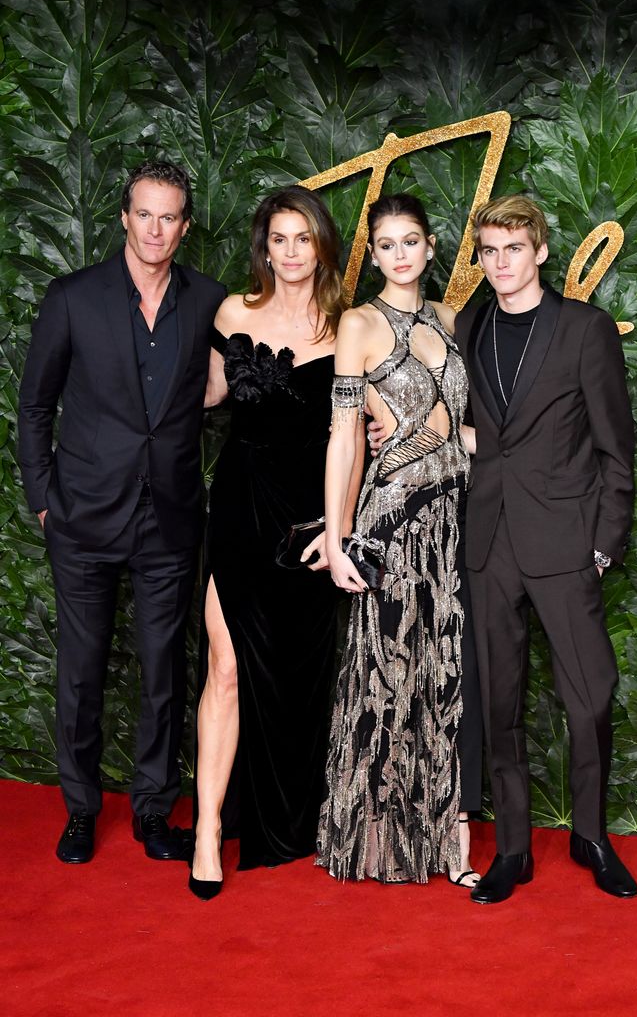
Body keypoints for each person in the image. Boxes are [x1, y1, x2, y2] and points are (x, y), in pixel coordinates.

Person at [18, 161, 226, 865]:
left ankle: (150, 810)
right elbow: (34, 408)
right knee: (80, 671)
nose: (156, 229)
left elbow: (258, 369)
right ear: (124, 217)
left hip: (167, 518)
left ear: (185, 226)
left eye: (169, 216)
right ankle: (80, 810)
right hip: (81, 517)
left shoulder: (208, 302)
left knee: (164, 669)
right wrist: (44, 502)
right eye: (144, 214)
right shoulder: (73, 298)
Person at [454, 195, 637, 903]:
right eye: (489, 251)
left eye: (512, 249)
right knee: (499, 700)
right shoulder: (470, 325)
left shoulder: (583, 330)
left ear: (538, 253)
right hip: (490, 538)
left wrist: (603, 545)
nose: (500, 263)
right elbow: (477, 430)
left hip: (566, 539)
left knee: (588, 695)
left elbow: (613, 447)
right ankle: (513, 852)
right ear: (481, 257)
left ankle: (590, 836)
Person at [189, 186, 363, 900]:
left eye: (303, 238)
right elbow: (201, 397)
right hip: (239, 508)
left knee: (299, 675)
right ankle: (206, 832)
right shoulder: (232, 311)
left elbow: (356, 429)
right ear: (264, 247)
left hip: (310, 520)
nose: (291, 252)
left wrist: (340, 522)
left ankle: (296, 817)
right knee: (226, 669)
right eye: (278, 239)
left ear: (321, 244)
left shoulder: (347, 324)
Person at [316, 193, 482, 885]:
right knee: (387, 676)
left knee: (444, 676)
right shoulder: (357, 323)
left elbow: (474, 421)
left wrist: (468, 439)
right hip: (392, 519)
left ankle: (447, 846)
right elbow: (344, 435)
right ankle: (375, 841)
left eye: (410, 241)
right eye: (385, 245)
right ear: (373, 252)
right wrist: (336, 536)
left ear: (431, 244)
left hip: (455, 519)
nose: (399, 255)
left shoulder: (450, 319)